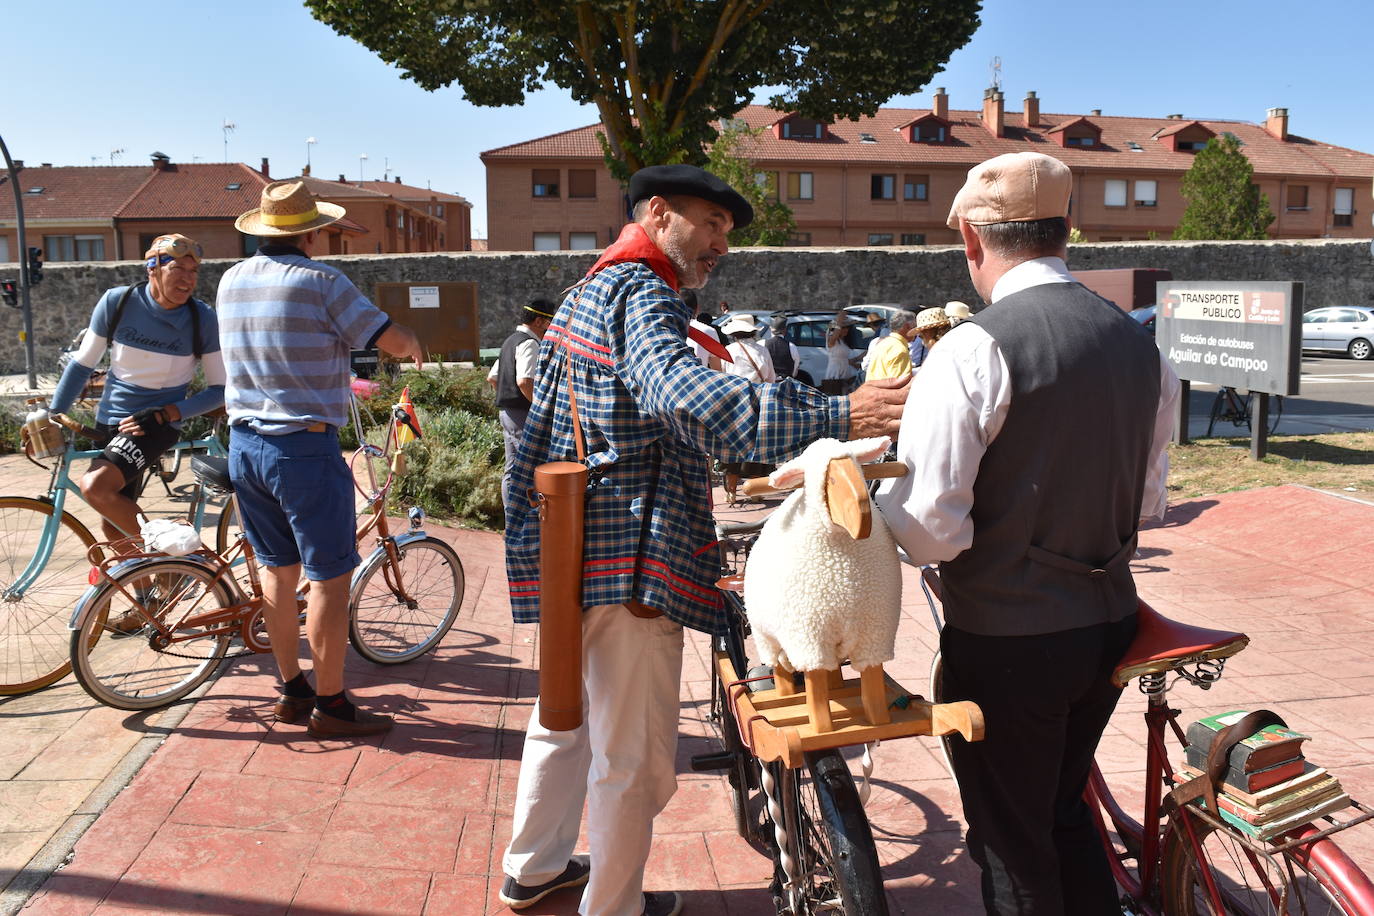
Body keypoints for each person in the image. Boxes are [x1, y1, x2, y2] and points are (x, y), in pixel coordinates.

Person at [500, 163, 907, 916]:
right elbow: (684, 397)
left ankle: (533, 868)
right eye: (710, 223)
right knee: (635, 758)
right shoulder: (643, 290)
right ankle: (612, 906)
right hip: (628, 556)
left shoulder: (590, 289)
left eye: (726, 231)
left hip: (577, 550)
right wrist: (839, 416)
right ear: (658, 213)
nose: (722, 242)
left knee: (565, 715)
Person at [875, 151, 1179, 915]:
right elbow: (1148, 506)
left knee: (1012, 839)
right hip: (1111, 622)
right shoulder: (1143, 346)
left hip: (1008, 638)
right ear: (1065, 231)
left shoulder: (972, 348)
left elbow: (927, 531)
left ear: (972, 242)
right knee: (1061, 807)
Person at [217, 180, 424, 739]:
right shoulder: (321, 280)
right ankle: (330, 705)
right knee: (330, 578)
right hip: (302, 448)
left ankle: (291, 689)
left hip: (245, 446)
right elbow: (391, 339)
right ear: (311, 232)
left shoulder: (231, 281)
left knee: (275, 574)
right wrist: (416, 344)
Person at [48, 234, 224, 546]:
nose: (187, 279)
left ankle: (179, 552)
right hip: (111, 421)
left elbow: (220, 390)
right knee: (114, 527)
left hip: (155, 425)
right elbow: (82, 364)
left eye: (193, 271)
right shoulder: (118, 302)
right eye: (177, 269)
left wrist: (167, 413)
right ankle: (148, 595)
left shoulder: (202, 319)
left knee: (96, 488)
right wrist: (54, 413)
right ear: (152, 269)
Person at [489, 299, 556, 504]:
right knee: (528, 466)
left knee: (512, 468)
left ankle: (511, 524)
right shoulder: (530, 343)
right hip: (522, 413)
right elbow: (525, 381)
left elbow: (492, 377)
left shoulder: (511, 340)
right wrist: (539, 408)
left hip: (508, 412)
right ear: (539, 321)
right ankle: (522, 520)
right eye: (549, 321)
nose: (551, 327)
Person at [719, 313, 775, 383]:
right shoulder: (763, 350)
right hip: (758, 391)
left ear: (733, 333)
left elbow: (723, 374)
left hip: (737, 390)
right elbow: (771, 378)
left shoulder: (729, 350)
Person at [864, 309, 919, 381]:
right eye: (914, 327)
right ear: (907, 327)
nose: (917, 332)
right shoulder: (900, 350)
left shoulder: (882, 344)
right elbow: (898, 384)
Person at [821, 317, 859, 395]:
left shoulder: (843, 342)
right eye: (843, 327)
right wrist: (839, 319)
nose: (846, 330)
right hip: (835, 373)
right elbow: (834, 336)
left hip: (845, 373)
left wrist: (860, 357)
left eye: (847, 327)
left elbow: (845, 360)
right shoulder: (832, 341)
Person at [764, 315, 801, 380]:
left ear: (770, 329)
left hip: (767, 383)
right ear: (785, 330)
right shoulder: (791, 346)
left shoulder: (762, 344)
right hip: (786, 383)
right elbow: (795, 371)